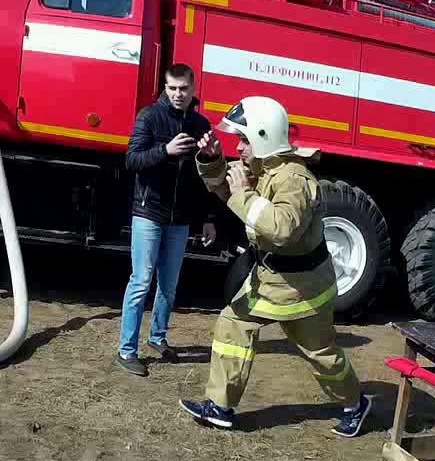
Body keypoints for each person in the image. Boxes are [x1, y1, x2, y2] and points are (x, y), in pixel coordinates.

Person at [179, 96, 372, 437]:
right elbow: (231, 193)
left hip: (304, 288)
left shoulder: (293, 179)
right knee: (232, 323)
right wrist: (211, 161)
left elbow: (281, 228)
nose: (237, 147)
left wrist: (244, 195)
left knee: (320, 353)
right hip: (274, 280)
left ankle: (355, 404)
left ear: (264, 137)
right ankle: (220, 407)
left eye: (244, 140)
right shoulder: (264, 169)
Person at [115, 63, 218, 376]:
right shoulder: (149, 116)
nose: (177, 94)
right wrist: (166, 150)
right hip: (148, 211)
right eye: (172, 88)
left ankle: (158, 337)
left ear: (193, 89)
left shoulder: (201, 124)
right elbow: (132, 160)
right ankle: (126, 351)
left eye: (183, 89)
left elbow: (207, 178)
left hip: (180, 217)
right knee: (141, 281)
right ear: (165, 87)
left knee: (169, 286)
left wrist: (211, 156)